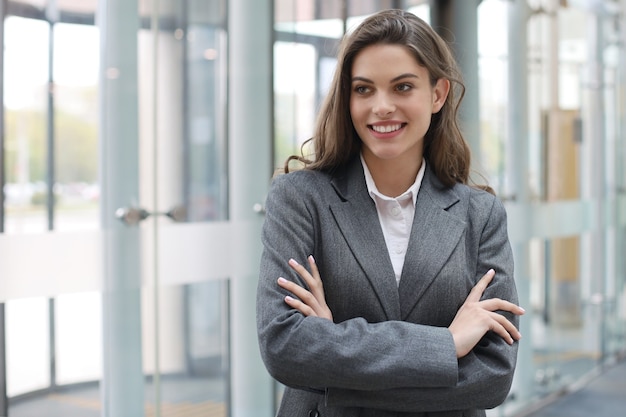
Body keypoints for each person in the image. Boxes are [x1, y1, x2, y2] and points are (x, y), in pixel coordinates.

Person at [256, 9, 524, 417]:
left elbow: (494, 375)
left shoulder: (480, 215)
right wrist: (446, 346)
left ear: (437, 95)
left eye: (402, 87)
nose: (381, 106)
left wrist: (334, 371)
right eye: (363, 89)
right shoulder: (299, 199)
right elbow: (284, 347)